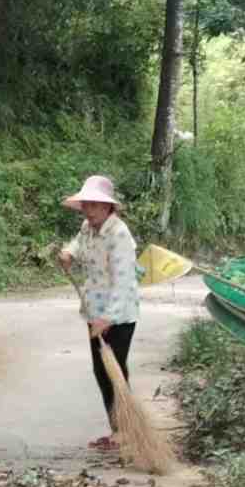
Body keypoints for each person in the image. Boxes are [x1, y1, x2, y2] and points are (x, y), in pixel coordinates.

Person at [55, 175, 140, 450]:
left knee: (115, 371)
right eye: (85, 205)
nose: (88, 210)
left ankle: (127, 430)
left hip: (119, 315)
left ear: (107, 207)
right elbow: (78, 243)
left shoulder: (119, 234)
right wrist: (68, 253)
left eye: (94, 205)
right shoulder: (88, 228)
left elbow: (124, 281)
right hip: (94, 310)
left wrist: (108, 318)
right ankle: (117, 429)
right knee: (101, 371)